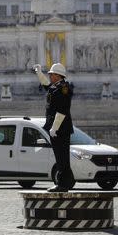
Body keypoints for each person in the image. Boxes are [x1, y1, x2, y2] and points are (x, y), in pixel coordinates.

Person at [33, 62, 74, 192]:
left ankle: (62, 184)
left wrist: (54, 127)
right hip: (58, 128)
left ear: (58, 75)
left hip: (60, 128)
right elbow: (46, 85)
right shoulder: (57, 86)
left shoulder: (63, 88)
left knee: (61, 156)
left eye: (51, 74)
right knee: (60, 156)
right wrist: (39, 73)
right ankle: (69, 181)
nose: (50, 76)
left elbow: (62, 110)